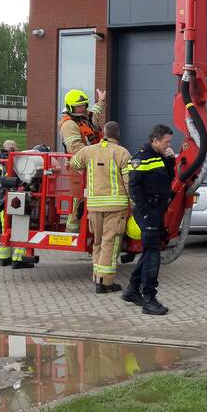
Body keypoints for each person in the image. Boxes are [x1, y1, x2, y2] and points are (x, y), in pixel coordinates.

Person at [70, 121, 131, 294]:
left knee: (97, 242)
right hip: (115, 206)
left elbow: (73, 164)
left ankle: (98, 278)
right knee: (110, 242)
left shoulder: (89, 151)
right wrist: (135, 203)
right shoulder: (122, 153)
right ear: (118, 133)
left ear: (103, 133)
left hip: (94, 206)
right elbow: (129, 182)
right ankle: (106, 282)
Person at [123, 124, 176, 315]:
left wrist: (170, 160)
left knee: (149, 252)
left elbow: (168, 178)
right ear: (155, 140)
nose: (169, 144)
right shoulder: (141, 157)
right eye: (166, 142)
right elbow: (134, 187)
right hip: (148, 211)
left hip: (157, 210)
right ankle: (149, 299)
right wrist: (145, 212)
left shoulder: (160, 156)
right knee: (153, 254)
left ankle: (131, 290)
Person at [59, 88, 105, 231]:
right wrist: (98, 154)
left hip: (94, 164)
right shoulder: (68, 124)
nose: (83, 108)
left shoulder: (85, 117)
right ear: (70, 107)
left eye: (84, 105)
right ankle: (72, 232)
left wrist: (101, 101)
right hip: (79, 168)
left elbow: (95, 113)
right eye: (79, 106)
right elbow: (75, 148)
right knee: (78, 200)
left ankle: (89, 229)